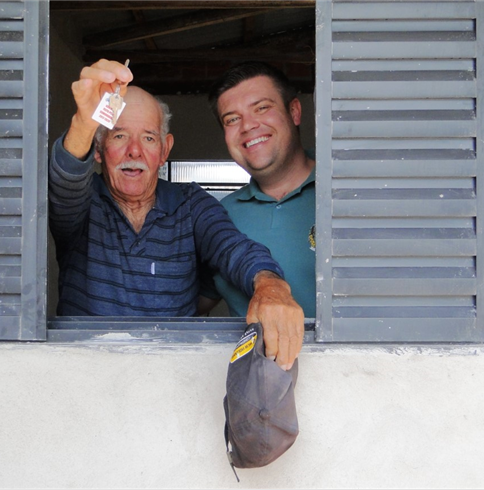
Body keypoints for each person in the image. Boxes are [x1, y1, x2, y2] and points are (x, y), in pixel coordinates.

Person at [49, 59, 303, 369]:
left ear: (164, 151)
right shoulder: (81, 204)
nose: (134, 151)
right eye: (118, 136)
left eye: (148, 138)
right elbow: (65, 178)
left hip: (173, 388)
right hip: (81, 380)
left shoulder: (190, 204)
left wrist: (269, 285)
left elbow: (232, 247)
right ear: (99, 150)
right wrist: (84, 123)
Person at [200, 62, 316, 318]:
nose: (248, 126)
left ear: (294, 111)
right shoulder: (217, 218)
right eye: (232, 119)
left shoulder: (346, 189)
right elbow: (185, 309)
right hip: (253, 360)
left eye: (262, 108)